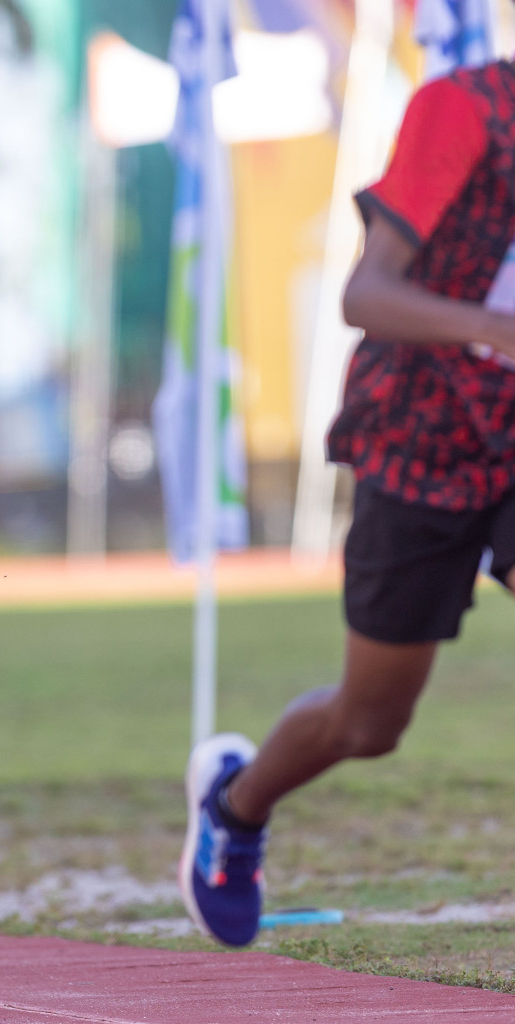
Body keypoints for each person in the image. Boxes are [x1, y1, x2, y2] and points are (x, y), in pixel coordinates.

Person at [180, 56, 515, 947]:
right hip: (419, 438)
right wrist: (493, 330)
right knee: (369, 723)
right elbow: (364, 294)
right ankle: (236, 806)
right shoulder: (467, 108)